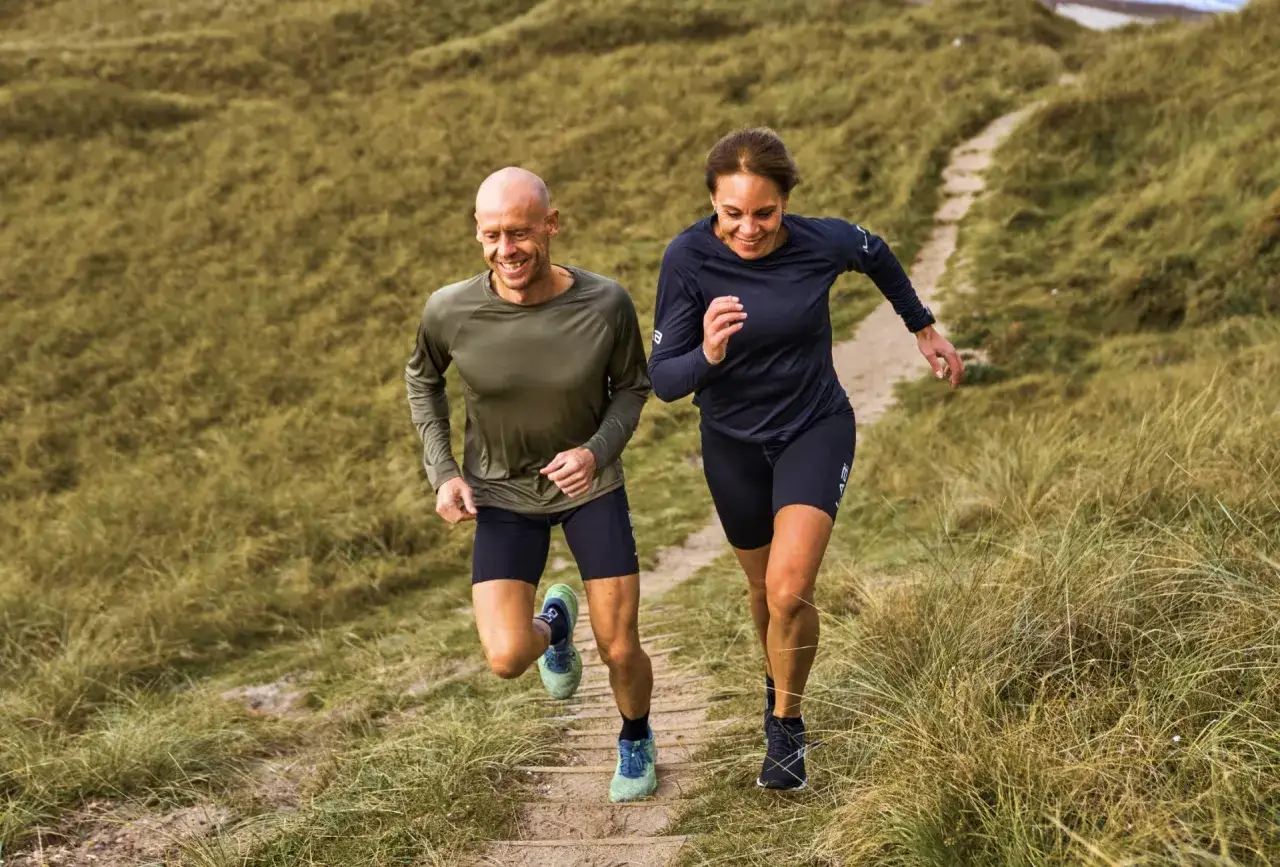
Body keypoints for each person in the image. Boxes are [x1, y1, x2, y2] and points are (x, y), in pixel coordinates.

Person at [647, 128, 963, 791]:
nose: (750, 228)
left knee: (790, 590)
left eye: (764, 213)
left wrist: (922, 325)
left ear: (785, 201)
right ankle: (776, 682)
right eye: (733, 214)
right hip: (730, 444)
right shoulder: (689, 259)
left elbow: (875, 253)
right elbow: (665, 379)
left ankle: (786, 726)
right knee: (763, 596)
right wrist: (705, 353)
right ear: (712, 202)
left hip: (813, 428)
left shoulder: (821, 242)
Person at [404, 167, 658, 802]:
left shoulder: (605, 303)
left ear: (551, 225)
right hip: (499, 494)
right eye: (492, 235)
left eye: (519, 232)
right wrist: (444, 473)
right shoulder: (450, 309)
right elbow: (423, 381)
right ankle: (554, 625)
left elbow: (632, 387)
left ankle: (634, 736)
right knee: (507, 657)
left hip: (588, 489)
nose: (506, 249)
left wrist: (596, 453)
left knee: (620, 647)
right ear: (478, 234)